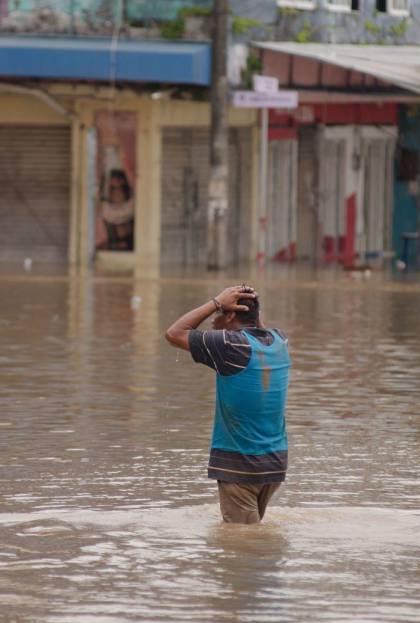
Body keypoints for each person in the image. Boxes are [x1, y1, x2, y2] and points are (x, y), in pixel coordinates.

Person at [164, 285, 292, 524]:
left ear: (231, 315)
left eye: (217, 314)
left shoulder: (231, 345)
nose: (212, 321)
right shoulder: (279, 340)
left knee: (242, 544)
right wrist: (243, 305)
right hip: (274, 463)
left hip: (241, 464)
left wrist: (215, 301)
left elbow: (174, 333)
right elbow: (256, 327)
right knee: (252, 541)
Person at [99, 169, 134, 250]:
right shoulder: (107, 197)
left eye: (119, 179)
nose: (117, 181)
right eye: (114, 179)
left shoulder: (127, 195)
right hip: (113, 235)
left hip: (128, 235)